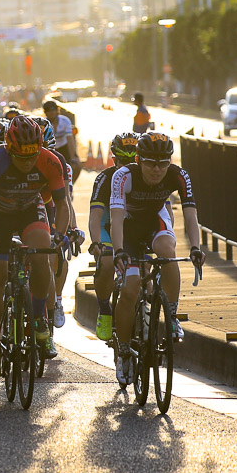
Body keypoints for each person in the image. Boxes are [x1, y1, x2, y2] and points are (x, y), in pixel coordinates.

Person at [0, 116, 69, 377]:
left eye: (31, 156)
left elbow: (62, 205)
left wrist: (59, 234)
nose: (26, 163)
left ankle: (39, 318)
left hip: (29, 210)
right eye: (20, 157)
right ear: (8, 149)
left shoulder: (49, 160)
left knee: (42, 254)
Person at [108, 132, 204, 384]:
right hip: (127, 229)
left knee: (167, 251)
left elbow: (191, 215)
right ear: (138, 160)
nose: (156, 169)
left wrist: (195, 247)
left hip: (153, 222)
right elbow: (116, 218)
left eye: (163, 163)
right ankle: (125, 350)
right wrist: (118, 250)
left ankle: (171, 317)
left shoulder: (178, 175)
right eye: (150, 163)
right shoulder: (123, 175)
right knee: (130, 289)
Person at [88, 132, 139, 341]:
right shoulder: (105, 178)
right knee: (107, 261)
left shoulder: (148, 176)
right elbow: (95, 216)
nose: (126, 166)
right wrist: (96, 243)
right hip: (107, 227)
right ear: (114, 159)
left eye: (132, 161)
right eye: (122, 161)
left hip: (135, 228)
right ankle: (104, 309)